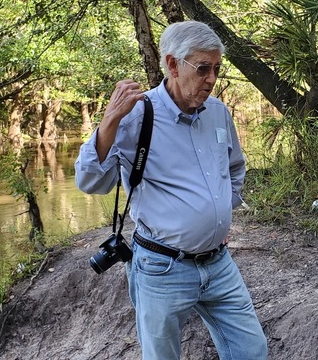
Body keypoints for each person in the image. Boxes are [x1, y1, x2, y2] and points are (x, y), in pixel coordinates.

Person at [75, 21, 268, 359]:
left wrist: (219, 215)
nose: (211, 78)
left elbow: (235, 167)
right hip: (162, 267)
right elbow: (91, 181)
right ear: (173, 64)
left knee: (251, 351)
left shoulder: (219, 113)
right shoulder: (136, 116)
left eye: (216, 69)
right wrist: (108, 122)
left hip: (219, 264)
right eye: (203, 68)